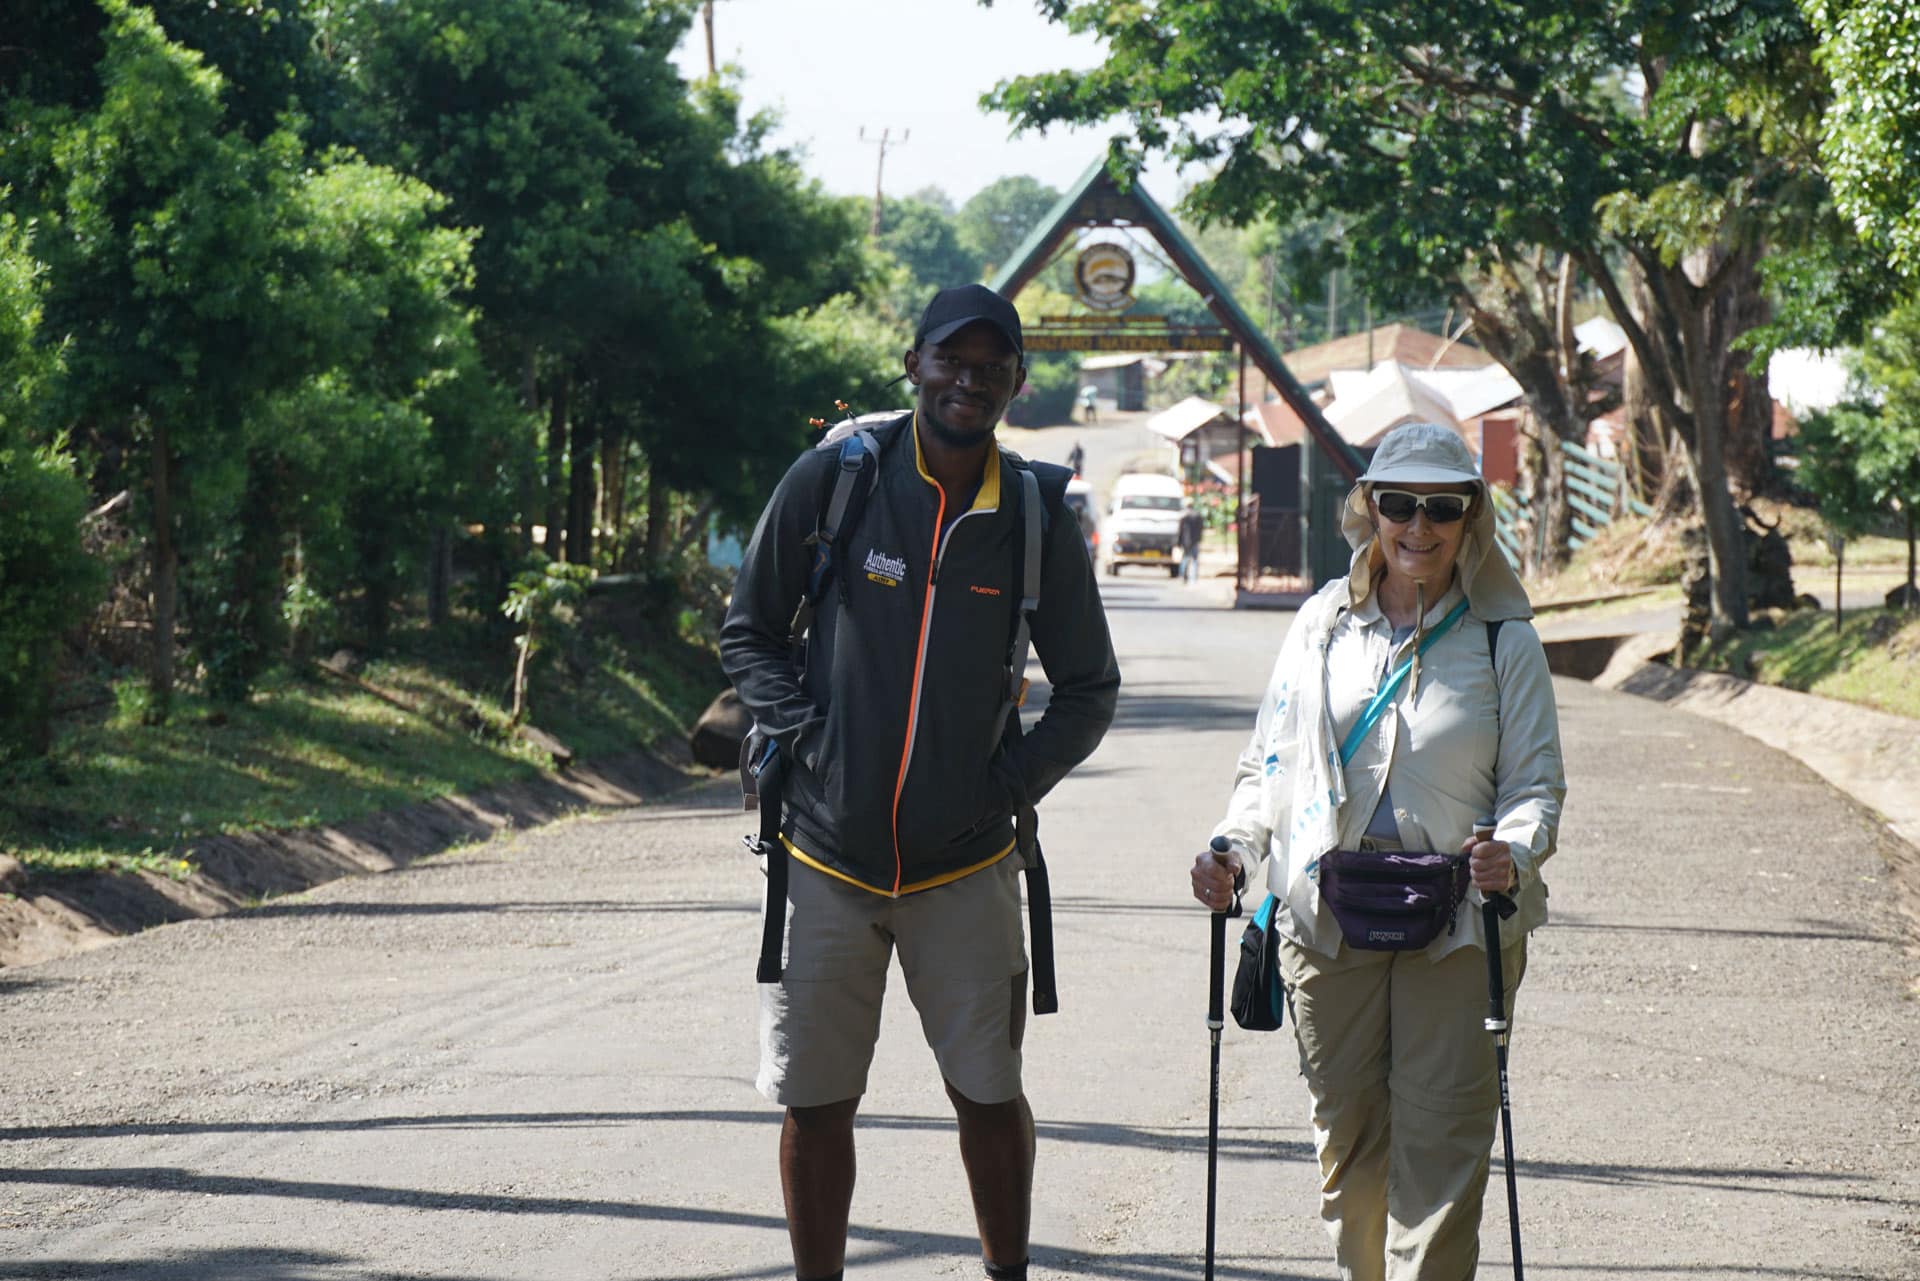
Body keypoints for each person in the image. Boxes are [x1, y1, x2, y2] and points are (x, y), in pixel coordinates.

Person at [722, 283, 1121, 1281]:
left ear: (1017, 382)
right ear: (915, 365)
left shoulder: (1033, 514)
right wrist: (809, 742)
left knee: (988, 1095)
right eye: (952, 360)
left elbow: (1089, 688)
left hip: (965, 864)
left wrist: (1006, 785)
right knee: (816, 1102)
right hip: (825, 855)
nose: (969, 381)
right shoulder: (838, 479)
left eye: (993, 368)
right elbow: (750, 631)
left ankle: (1006, 1272)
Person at [1190, 421, 1565, 1281]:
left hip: (1462, 926)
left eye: (1442, 507)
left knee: (1443, 1157)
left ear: (1471, 517)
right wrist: (1233, 850)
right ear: (1371, 508)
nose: (1419, 526)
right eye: (1400, 503)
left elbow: (1536, 783)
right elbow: (1268, 764)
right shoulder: (1321, 622)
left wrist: (1512, 851)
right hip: (1328, 922)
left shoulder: (1505, 637)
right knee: (1349, 1154)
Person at [1177, 504, 1204, 584]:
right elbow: (1200, 530)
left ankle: (1182, 575)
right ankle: (1193, 577)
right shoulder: (1198, 517)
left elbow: (1181, 531)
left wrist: (1179, 543)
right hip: (1194, 541)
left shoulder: (1184, 518)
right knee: (1194, 560)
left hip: (1186, 542)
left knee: (1185, 559)